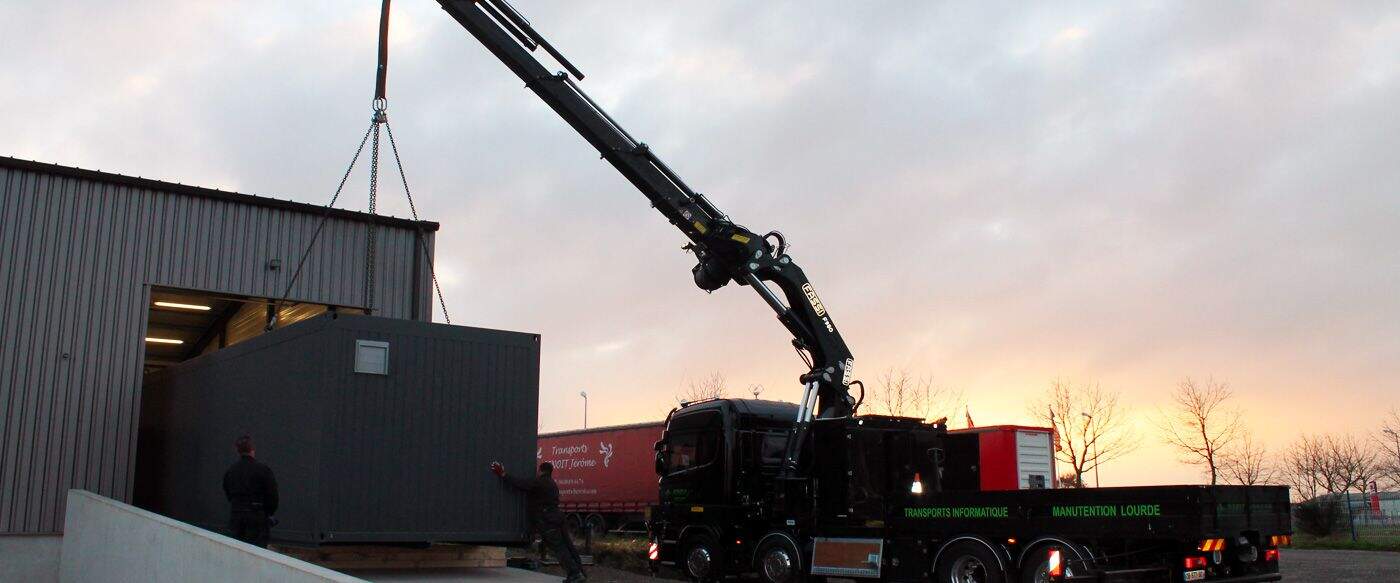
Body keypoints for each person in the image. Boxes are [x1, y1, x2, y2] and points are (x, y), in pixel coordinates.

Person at [491, 461, 586, 583]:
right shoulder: (552, 484)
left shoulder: (540, 482)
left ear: (540, 471)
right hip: (557, 518)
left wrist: (503, 474)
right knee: (567, 546)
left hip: (549, 522)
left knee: (559, 548)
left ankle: (574, 574)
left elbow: (521, 484)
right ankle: (578, 572)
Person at [222, 434, 279, 548]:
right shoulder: (263, 470)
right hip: (257, 519)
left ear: (237, 450)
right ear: (252, 450)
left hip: (236, 518)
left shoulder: (231, 471)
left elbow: (228, 492)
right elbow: (273, 496)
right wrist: (267, 513)